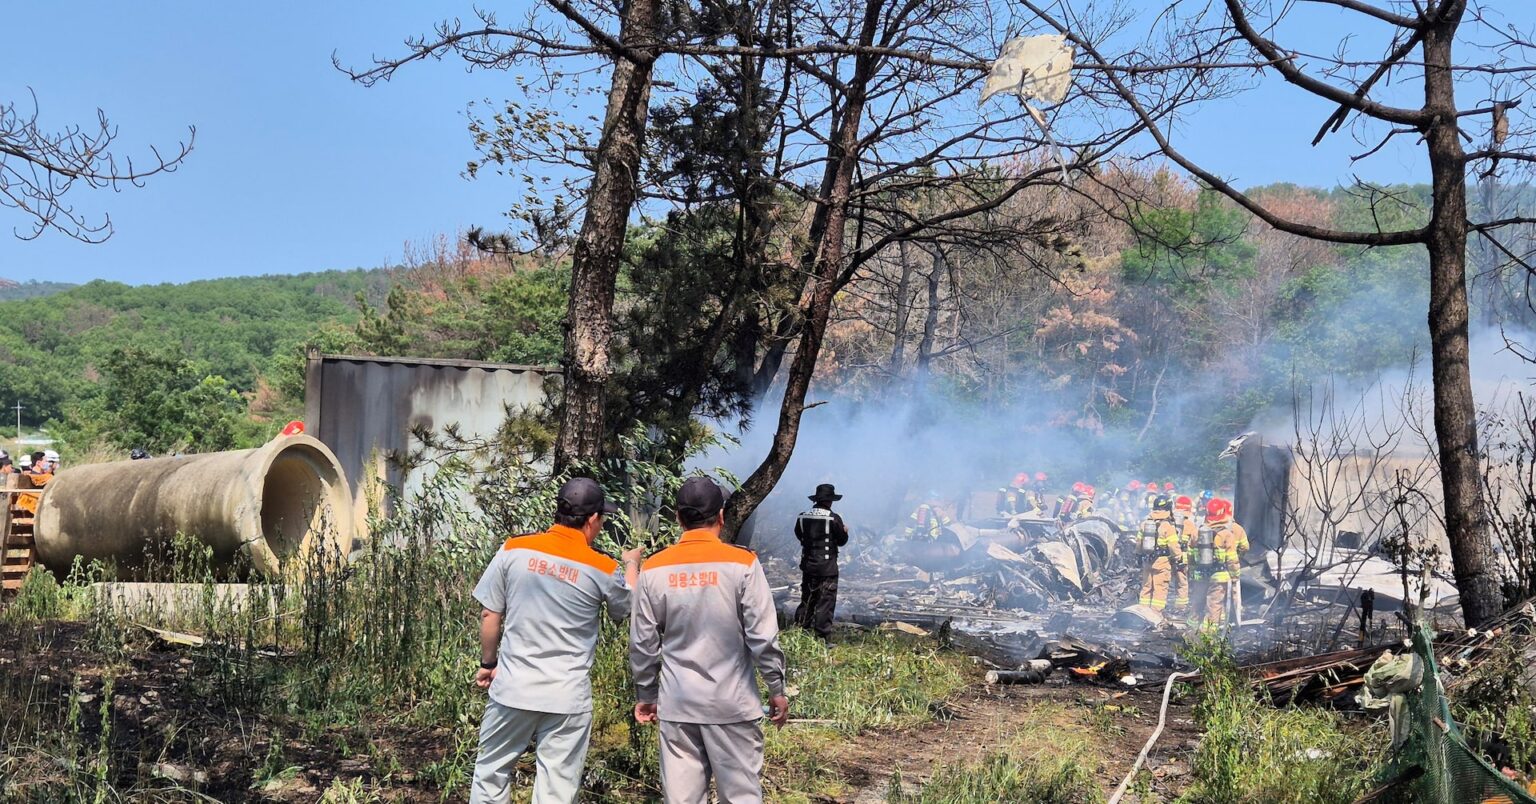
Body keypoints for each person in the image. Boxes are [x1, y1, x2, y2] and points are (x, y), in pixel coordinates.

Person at [469, 477, 642, 804]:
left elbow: (490, 614)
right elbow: (629, 606)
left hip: (513, 688)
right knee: (557, 789)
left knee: (490, 773)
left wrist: (488, 663)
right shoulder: (602, 566)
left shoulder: (514, 548)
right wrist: (631, 563)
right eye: (602, 518)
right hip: (566, 697)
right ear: (592, 520)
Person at [631, 477, 788, 804]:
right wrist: (776, 688)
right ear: (720, 516)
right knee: (741, 798)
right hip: (732, 705)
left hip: (678, 706)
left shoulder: (654, 567)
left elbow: (643, 643)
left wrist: (646, 693)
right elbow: (763, 636)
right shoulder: (743, 563)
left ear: (678, 518)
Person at [794, 484, 849, 642]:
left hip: (808, 565)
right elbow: (842, 540)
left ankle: (800, 631)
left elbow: (800, 535)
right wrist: (844, 531)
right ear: (830, 501)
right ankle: (822, 637)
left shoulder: (802, 516)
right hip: (827, 568)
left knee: (807, 598)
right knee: (825, 601)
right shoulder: (833, 518)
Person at [1195, 497, 1249, 631]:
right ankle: (1210, 634)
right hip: (1220, 575)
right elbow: (1232, 558)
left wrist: (1192, 571)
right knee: (1215, 604)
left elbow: (1191, 554)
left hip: (1201, 573)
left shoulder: (1199, 531)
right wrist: (1235, 575)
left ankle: (1193, 627)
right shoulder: (1227, 534)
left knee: (1199, 601)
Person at [1136, 495, 1183, 612]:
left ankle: (1143, 612)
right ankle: (1155, 614)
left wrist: (1138, 555)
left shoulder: (1145, 523)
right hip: (1162, 562)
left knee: (1146, 587)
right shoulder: (1168, 526)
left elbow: (1138, 543)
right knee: (1160, 588)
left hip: (1147, 560)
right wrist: (1178, 557)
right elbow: (1173, 545)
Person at [1169, 496, 1198, 612]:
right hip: (1183, 558)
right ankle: (1181, 607)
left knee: (1167, 581)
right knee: (1182, 582)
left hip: (1170, 556)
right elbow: (1194, 541)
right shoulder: (1190, 525)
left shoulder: (1170, 522)